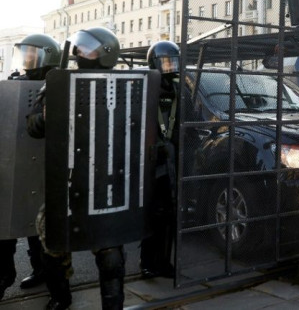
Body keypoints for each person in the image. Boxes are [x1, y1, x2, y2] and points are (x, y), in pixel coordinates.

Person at [27, 27, 127, 310]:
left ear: (106, 54)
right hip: (67, 177)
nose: (80, 54)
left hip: (104, 178)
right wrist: (48, 110)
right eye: (80, 48)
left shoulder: (122, 85)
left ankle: (113, 304)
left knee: (110, 250)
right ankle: (60, 298)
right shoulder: (58, 82)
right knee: (53, 240)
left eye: (88, 49)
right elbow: (33, 127)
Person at [0, 34, 60, 300]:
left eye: (33, 55)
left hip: (46, 167)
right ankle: (4, 275)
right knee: (7, 222)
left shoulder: (59, 86)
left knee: (42, 229)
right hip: (14, 165)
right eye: (25, 54)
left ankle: (45, 273)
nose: (27, 61)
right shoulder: (15, 84)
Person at [139, 41, 180, 279]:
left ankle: (164, 262)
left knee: (169, 216)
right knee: (151, 215)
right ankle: (147, 263)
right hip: (151, 163)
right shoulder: (145, 90)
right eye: (166, 61)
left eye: (173, 61)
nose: (170, 66)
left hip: (171, 163)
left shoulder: (177, 90)